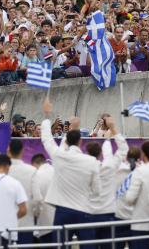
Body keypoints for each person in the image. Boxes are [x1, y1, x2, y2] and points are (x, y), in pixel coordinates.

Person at [40, 97, 101, 248]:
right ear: (81, 142)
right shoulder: (91, 162)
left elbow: (47, 138)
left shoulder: (59, 156)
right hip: (84, 210)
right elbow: (97, 191)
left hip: (63, 211)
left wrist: (47, 115)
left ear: (66, 141)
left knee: (60, 246)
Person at [90, 116, 129, 249]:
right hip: (108, 214)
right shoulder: (109, 167)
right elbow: (123, 149)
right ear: (100, 154)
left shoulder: (83, 169)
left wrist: (106, 139)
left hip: (90, 214)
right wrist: (112, 129)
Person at [7, 139, 41, 244]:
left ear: (8, 151)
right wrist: (35, 213)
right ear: (23, 151)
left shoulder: (4, 170)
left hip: (6, 222)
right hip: (26, 222)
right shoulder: (31, 170)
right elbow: (38, 198)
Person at [31, 153, 55, 244]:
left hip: (45, 222)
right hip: (61, 221)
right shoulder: (57, 171)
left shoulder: (36, 175)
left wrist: (35, 214)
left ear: (34, 164)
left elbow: (36, 199)